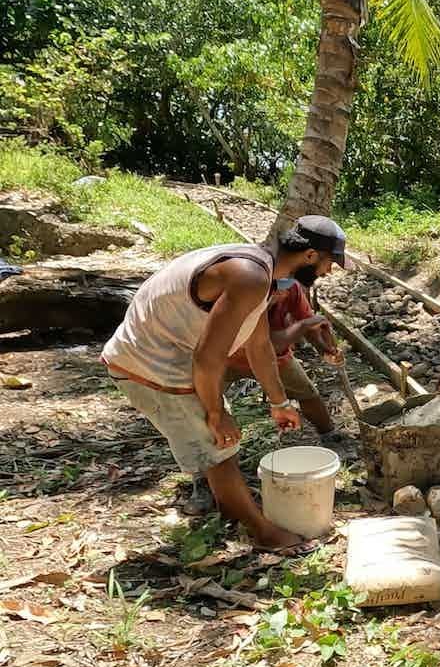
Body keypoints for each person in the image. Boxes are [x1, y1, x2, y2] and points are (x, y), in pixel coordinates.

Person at [102, 215, 349, 551]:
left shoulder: (263, 272)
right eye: (329, 263)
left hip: (167, 353)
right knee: (219, 445)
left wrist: (280, 403)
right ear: (309, 256)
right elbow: (207, 358)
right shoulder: (250, 277)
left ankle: (233, 510)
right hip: (150, 363)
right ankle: (261, 532)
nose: (328, 272)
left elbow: (259, 345)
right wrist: (217, 413)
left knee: (219, 443)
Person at [224, 278, 343, 435]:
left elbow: (307, 322)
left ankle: (330, 435)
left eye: (285, 288)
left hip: (277, 359)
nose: (283, 293)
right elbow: (268, 345)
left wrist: (325, 350)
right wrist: (303, 326)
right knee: (207, 402)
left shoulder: (292, 290)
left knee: (308, 394)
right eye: (276, 289)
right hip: (228, 359)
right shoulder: (246, 298)